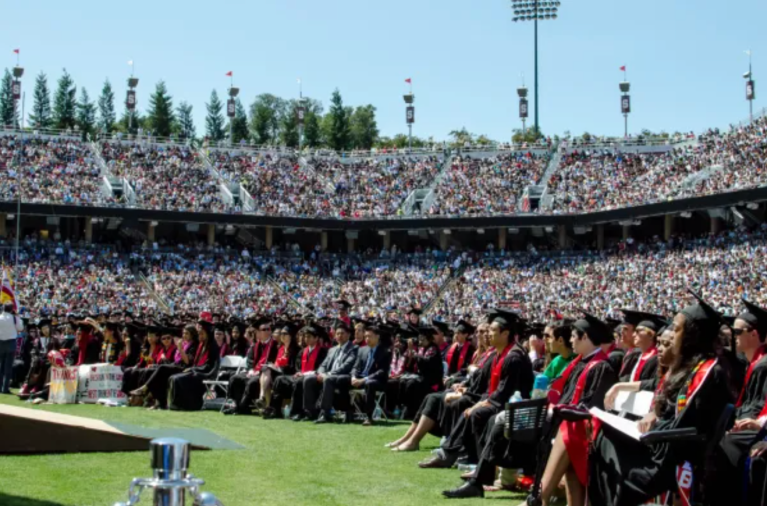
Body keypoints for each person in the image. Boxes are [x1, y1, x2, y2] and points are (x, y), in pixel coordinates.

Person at [588, 291, 733, 506]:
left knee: (607, 444)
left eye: (676, 329)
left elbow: (688, 423)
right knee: (603, 437)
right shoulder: (687, 367)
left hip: (671, 458)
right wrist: (652, 415)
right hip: (662, 446)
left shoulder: (707, 372)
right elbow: (664, 401)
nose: (670, 336)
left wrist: (655, 424)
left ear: (692, 335)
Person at [422, 308, 534, 471]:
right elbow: (492, 389)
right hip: (498, 400)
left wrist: (479, 404)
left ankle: (469, 459)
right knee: (470, 409)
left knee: (475, 412)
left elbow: (504, 393)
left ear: (505, 334)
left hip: (512, 404)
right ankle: (451, 453)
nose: (489, 334)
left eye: (493, 330)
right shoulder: (501, 353)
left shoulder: (514, 357)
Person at [711, 299, 767, 505]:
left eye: (737, 332)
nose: (733, 337)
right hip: (754, 422)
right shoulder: (754, 363)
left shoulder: (763, 365)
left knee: (727, 444)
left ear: (754, 334)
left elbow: (758, 407)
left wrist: (746, 421)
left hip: (760, 427)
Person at [265, 324, 327, 420]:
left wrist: (303, 374)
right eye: (305, 336)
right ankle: (274, 410)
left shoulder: (322, 352)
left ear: (316, 338)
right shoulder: (302, 351)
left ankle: (296, 412)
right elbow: (298, 367)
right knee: (279, 379)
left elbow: (320, 369)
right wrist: (299, 372)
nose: (306, 339)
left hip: (313, 378)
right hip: (300, 375)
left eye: (309, 337)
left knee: (298, 382)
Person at [300, 320, 358, 423]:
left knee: (328, 379)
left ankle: (325, 414)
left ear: (348, 335)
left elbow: (346, 366)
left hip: (345, 377)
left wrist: (327, 374)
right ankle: (310, 412)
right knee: (308, 379)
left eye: (342, 333)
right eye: (337, 334)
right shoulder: (332, 349)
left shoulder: (354, 349)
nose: (339, 336)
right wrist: (321, 373)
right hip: (328, 376)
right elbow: (323, 365)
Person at [130, 325, 198, 410]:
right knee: (153, 369)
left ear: (192, 334)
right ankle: (158, 401)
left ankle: (145, 389)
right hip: (177, 365)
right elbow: (176, 361)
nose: (184, 335)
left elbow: (187, 361)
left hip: (185, 368)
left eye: (187, 333)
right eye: (183, 333)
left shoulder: (193, 345)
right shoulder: (184, 344)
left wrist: (180, 348)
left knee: (162, 368)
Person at [225, 318, 280, 415]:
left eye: (268, 329)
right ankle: (235, 405)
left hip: (266, 373)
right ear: (258, 332)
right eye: (264, 329)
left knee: (251, 382)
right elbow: (250, 360)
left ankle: (243, 407)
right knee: (235, 378)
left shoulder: (275, 345)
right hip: (254, 371)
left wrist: (257, 371)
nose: (267, 331)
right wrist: (250, 370)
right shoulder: (255, 346)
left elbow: (274, 362)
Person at [167, 318, 220, 411]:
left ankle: (184, 405)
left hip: (205, 374)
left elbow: (209, 367)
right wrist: (193, 369)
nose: (199, 335)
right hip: (197, 371)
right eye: (199, 333)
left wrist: (193, 370)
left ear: (207, 334)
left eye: (201, 333)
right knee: (173, 377)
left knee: (178, 379)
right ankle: (174, 404)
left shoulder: (212, 346)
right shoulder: (201, 345)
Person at [397, 325, 444, 420]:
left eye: (422, 339)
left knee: (411, 384)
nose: (419, 342)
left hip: (432, 380)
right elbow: (413, 365)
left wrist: (415, 355)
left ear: (428, 339)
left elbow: (427, 363)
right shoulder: (422, 349)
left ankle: (411, 411)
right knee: (402, 381)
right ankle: (402, 407)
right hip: (423, 377)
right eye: (419, 339)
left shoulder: (433, 349)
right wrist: (411, 354)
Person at [349, 323, 392, 426]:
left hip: (377, 381)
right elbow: (355, 367)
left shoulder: (385, 351)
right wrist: (353, 377)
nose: (367, 339)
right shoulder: (362, 350)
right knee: (340, 379)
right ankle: (347, 412)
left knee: (370, 383)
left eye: (370, 336)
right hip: (359, 379)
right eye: (366, 336)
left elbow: (382, 371)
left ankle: (369, 417)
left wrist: (364, 380)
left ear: (377, 337)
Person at [257, 322, 300, 411]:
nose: (282, 335)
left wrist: (277, 367)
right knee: (266, 371)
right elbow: (277, 363)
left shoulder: (295, 349)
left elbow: (293, 367)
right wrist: (273, 366)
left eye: (285, 333)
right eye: (281, 333)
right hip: (277, 372)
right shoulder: (280, 348)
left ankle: (264, 400)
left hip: (288, 373)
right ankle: (264, 401)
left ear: (291, 335)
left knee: (267, 371)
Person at [620, 314, 666, 383]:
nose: (634, 334)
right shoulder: (637, 356)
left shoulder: (657, 358)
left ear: (651, 335)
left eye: (638, 331)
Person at [0, 304, 24, 394]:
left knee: (1, 366)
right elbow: (20, 328)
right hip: (10, 342)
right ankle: (5, 388)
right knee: (8, 367)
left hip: (1, 342)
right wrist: (17, 317)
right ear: (11, 310)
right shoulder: (14, 318)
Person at [444, 320, 476, 387]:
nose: (456, 335)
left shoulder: (471, 349)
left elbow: (466, 368)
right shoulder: (451, 347)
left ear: (466, 335)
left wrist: (453, 376)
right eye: (455, 333)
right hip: (448, 376)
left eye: (458, 333)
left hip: (460, 378)